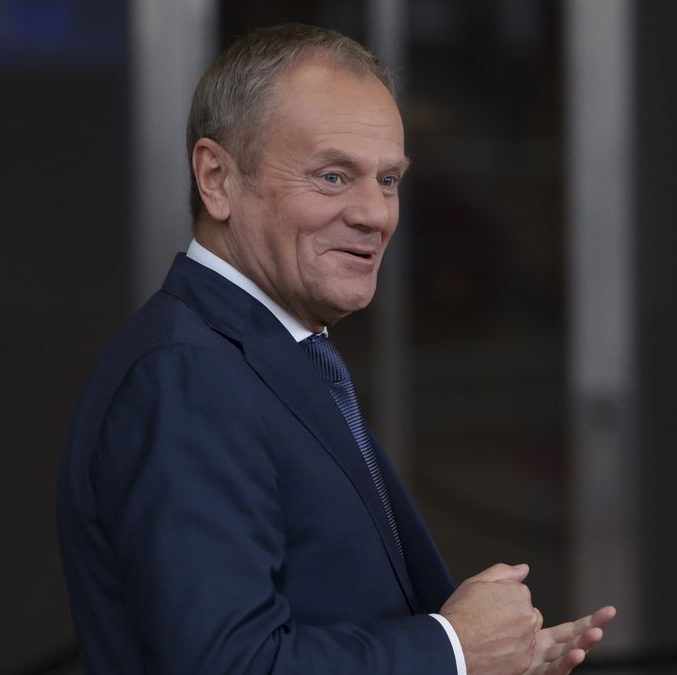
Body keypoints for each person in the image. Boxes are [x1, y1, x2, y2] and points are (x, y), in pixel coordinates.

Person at [56, 22, 614, 675]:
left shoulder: (268, 352)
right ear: (216, 178)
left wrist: (490, 661)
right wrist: (454, 649)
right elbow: (230, 665)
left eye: (388, 180)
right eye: (332, 175)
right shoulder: (188, 376)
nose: (376, 214)